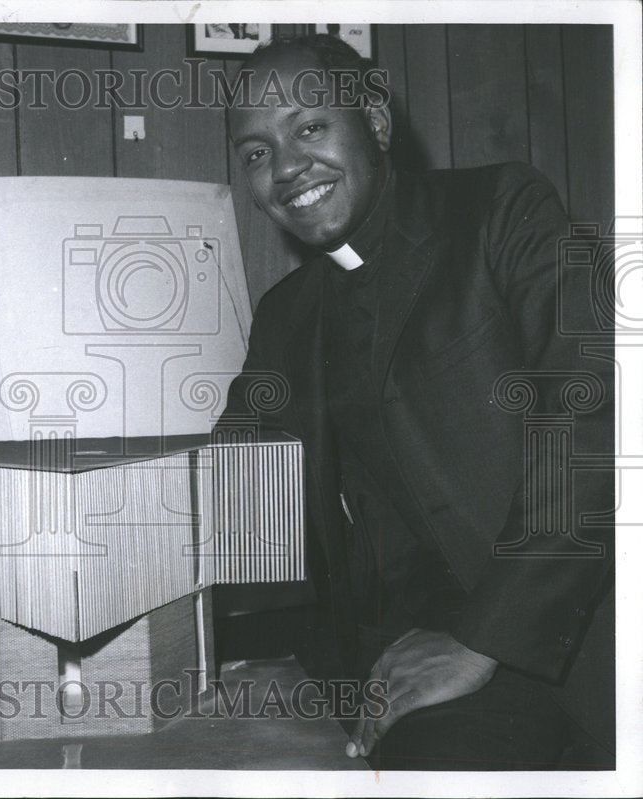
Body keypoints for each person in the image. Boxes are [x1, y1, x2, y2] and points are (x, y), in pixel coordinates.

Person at [219, 34, 614, 770]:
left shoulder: (504, 210)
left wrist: (481, 639)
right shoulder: (286, 316)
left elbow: (598, 423)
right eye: (255, 152)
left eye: (309, 128)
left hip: (565, 628)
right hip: (406, 656)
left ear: (374, 118)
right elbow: (226, 477)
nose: (286, 168)